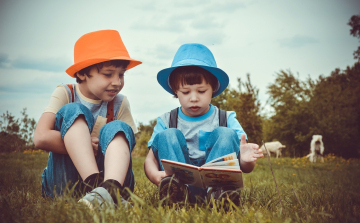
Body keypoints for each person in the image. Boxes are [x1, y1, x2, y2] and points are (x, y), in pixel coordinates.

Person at [33, 30, 141, 209]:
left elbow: (128, 144)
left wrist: (108, 144)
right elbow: (41, 137)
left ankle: (110, 189)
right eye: (108, 74)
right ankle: (95, 187)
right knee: (73, 110)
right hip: (65, 183)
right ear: (83, 73)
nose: (117, 82)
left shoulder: (120, 102)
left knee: (119, 127)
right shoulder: (66, 93)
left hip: (111, 176)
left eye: (121, 75)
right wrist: (84, 145)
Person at [144, 43, 264, 205]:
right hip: (180, 185)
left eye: (201, 91)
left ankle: (220, 195)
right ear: (175, 90)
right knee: (168, 135)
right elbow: (150, 159)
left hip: (216, 185)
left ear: (213, 88)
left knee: (226, 133)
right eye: (186, 92)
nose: (194, 98)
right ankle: (176, 194)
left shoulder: (226, 118)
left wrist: (246, 161)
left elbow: (245, 167)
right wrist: (153, 174)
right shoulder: (166, 120)